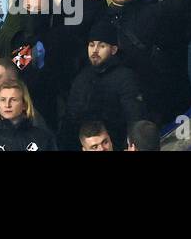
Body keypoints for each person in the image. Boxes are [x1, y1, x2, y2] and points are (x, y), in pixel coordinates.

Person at [60, 19, 147, 149]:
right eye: (91, 45)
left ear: (113, 49)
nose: (95, 50)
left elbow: (135, 117)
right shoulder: (81, 78)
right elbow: (71, 119)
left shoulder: (125, 77)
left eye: (101, 46)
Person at [0, 79, 57, 151]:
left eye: (13, 100)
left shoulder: (43, 139)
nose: (7, 105)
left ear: (24, 104)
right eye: (3, 100)